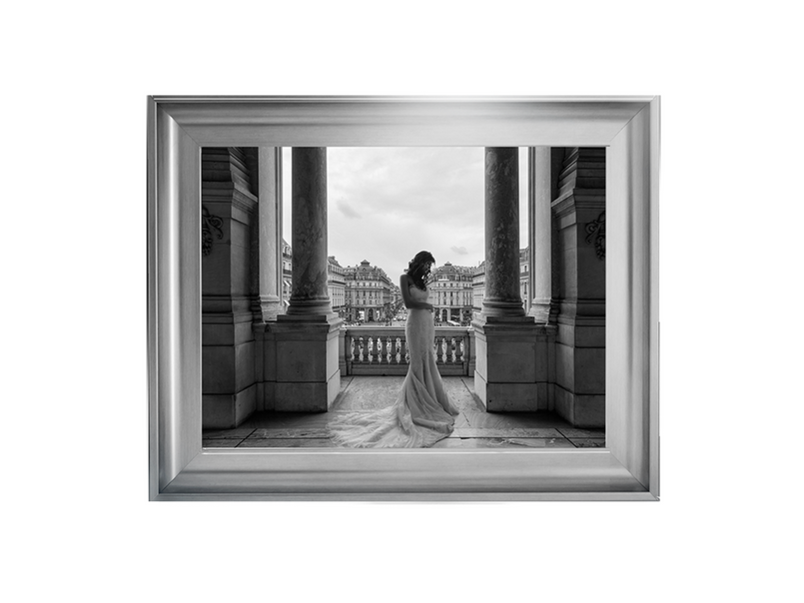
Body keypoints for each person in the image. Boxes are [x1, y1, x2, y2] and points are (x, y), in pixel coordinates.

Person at [329, 251, 460, 447]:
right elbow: (407, 303)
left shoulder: (423, 281)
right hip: (416, 321)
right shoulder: (404, 278)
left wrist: (428, 308)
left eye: (429, 267)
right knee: (417, 361)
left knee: (428, 359)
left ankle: (431, 398)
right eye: (426, 265)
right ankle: (414, 402)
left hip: (427, 322)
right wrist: (428, 306)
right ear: (419, 262)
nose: (427, 269)